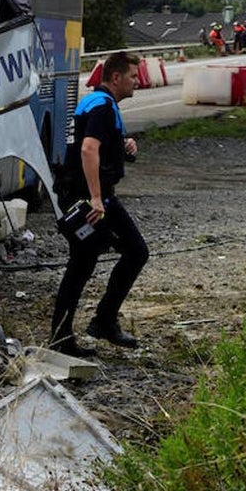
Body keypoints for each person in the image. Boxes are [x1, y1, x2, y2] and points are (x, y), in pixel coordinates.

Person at [50, 51, 149, 357]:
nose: (137, 81)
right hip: (91, 198)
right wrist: (95, 198)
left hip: (95, 195)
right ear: (116, 78)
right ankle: (67, 335)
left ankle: (96, 324)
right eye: (133, 76)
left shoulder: (99, 103)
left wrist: (123, 146)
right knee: (90, 262)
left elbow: (99, 145)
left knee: (124, 253)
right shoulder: (103, 107)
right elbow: (89, 149)